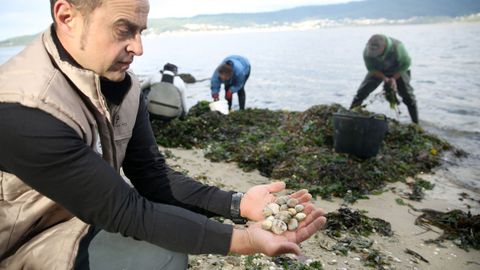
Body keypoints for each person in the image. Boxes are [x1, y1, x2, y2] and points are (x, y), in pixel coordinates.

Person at [0, 1, 327, 269]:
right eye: (124, 29)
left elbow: (153, 177)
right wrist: (246, 240)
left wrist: (238, 204)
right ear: (67, 17)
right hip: (19, 245)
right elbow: (126, 210)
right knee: (159, 256)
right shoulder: (24, 108)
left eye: (141, 31)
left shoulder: (128, 89)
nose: (138, 47)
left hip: (80, 219)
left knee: (168, 247)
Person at [350, 34, 419, 124]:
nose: (373, 54)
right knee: (361, 93)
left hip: (399, 69)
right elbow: (371, 69)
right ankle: (350, 116)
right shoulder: (367, 52)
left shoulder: (398, 47)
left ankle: (416, 123)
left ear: (384, 47)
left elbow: (406, 64)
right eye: (371, 51)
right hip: (378, 70)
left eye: (376, 52)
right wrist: (384, 78)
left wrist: (394, 79)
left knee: (408, 97)